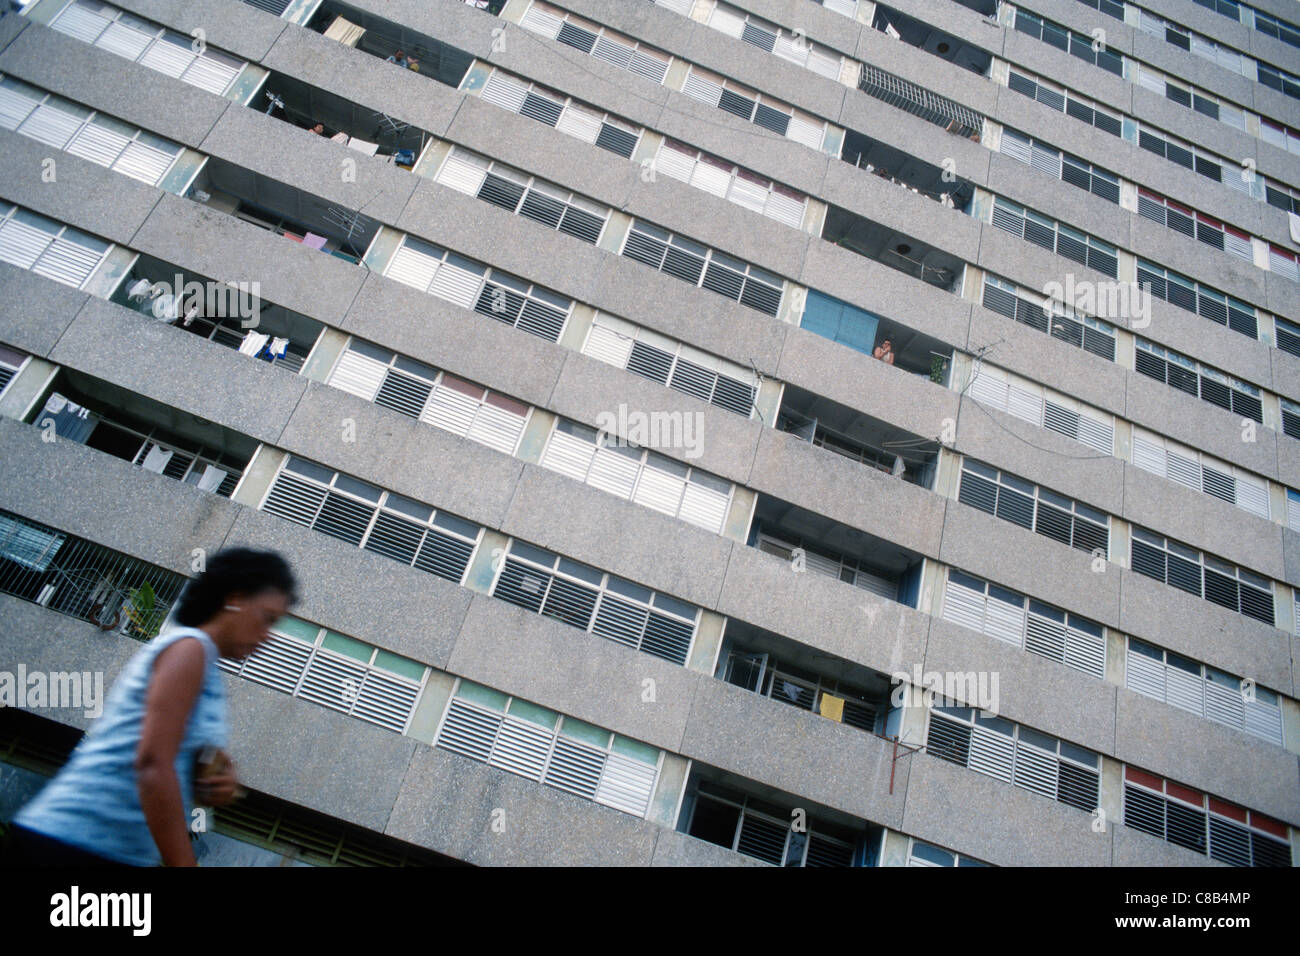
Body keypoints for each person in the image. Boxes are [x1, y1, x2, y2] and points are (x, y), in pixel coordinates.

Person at [2, 549, 297, 867]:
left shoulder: (205, 666)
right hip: (69, 845)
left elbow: (171, 765)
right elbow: (152, 765)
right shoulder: (189, 650)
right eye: (267, 619)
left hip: (108, 852)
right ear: (235, 599)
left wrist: (216, 784)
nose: (268, 637)